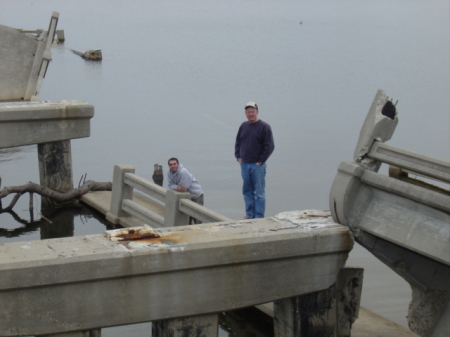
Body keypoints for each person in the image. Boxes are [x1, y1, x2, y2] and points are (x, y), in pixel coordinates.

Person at [235, 102, 274, 219]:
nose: (250, 114)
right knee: (247, 191)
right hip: (244, 164)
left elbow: (269, 147)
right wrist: (238, 157)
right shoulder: (243, 126)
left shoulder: (264, 127)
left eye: (252, 111)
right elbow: (238, 142)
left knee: (259, 193)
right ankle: (249, 214)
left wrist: (261, 161)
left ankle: (259, 216)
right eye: (248, 112)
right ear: (245, 113)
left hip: (257, 166)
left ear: (257, 112)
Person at [167, 157, 204, 224]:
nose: (173, 166)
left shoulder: (183, 172)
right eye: (171, 164)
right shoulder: (169, 173)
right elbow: (170, 185)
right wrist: (177, 187)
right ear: (169, 166)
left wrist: (175, 187)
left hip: (196, 195)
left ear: (178, 164)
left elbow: (184, 188)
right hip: (187, 197)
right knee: (187, 217)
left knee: (197, 217)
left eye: (174, 164)